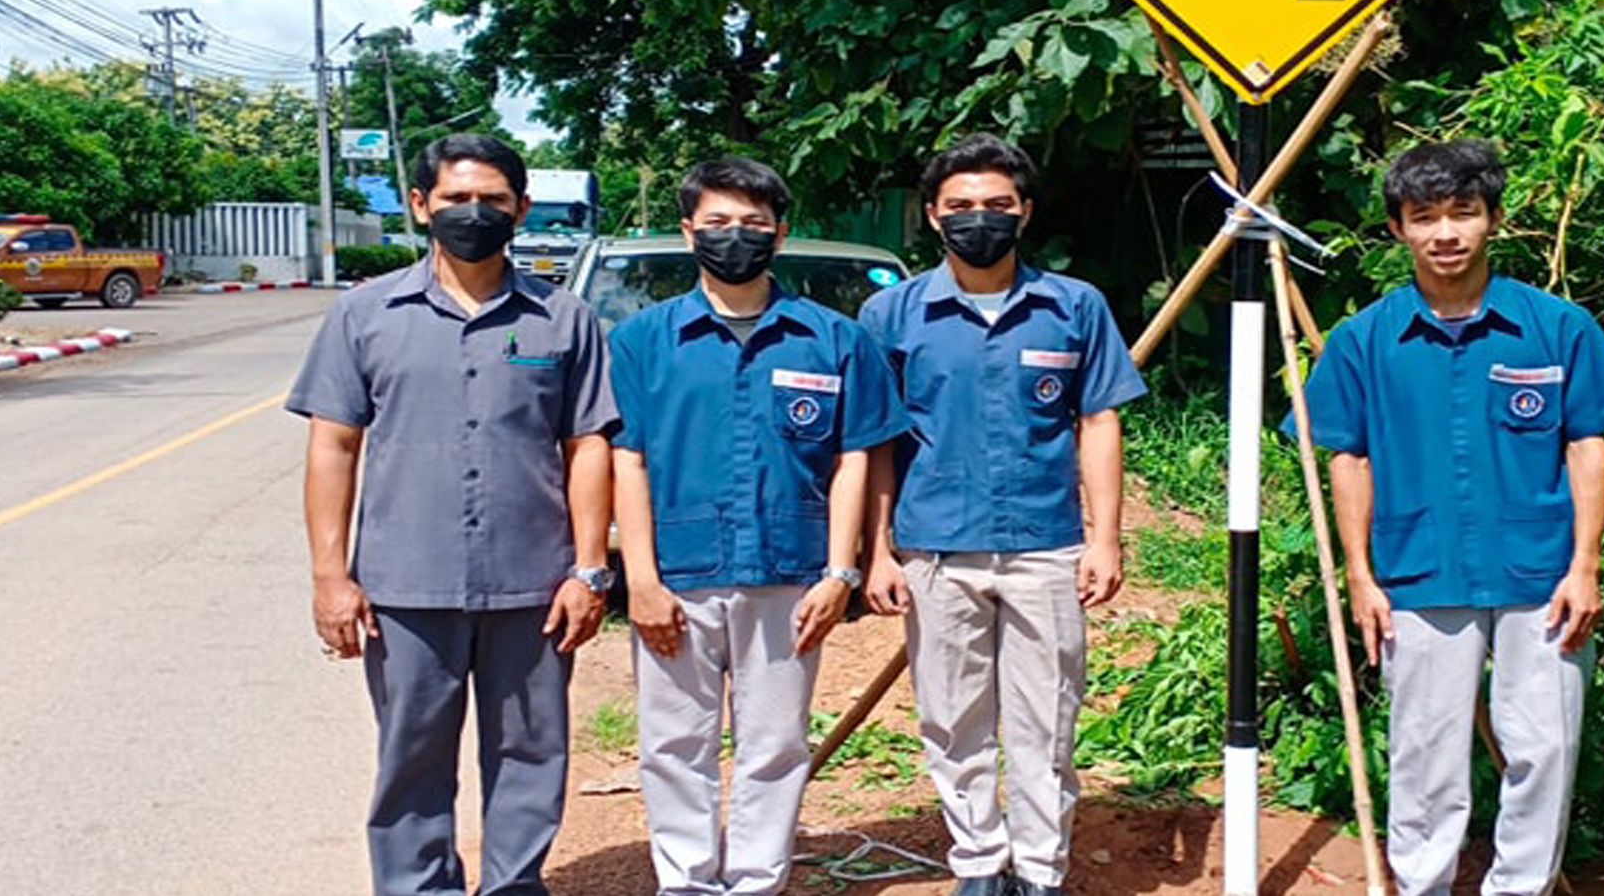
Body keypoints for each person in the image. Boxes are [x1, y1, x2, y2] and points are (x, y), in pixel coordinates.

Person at [1301, 139, 1604, 896]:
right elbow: (1348, 458)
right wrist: (1359, 575)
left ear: (1493, 218)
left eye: (1463, 212)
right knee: (1424, 754)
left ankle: (1518, 886)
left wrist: (1585, 566)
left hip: (1542, 576)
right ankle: (1420, 885)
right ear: (1397, 228)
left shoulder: (1556, 326)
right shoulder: (1364, 341)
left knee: (1544, 748)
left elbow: (1589, 442)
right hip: (1416, 574)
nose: (1445, 233)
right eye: (1424, 217)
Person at [290, 132, 620, 896]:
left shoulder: (563, 319)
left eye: (493, 202)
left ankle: (513, 884)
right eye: (456, 200)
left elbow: (589, 446)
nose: (474, 214)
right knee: (412, 757)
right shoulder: (364, 313)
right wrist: (329, 578)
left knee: (532, 754)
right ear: (420, 206)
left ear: (522, 209)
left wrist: (589, 568)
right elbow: (333, 446)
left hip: (533, 586)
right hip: (405, 584)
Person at [608, 157, 907, 896]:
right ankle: (685, 879)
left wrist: (843, 570)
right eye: (715, 223)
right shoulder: (644, 341)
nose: (733, 237)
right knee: (675, 740)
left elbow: (855, 459)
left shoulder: (832, 339)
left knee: (774, 742)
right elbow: (627, 462)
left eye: (751, 223)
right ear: (687, 232)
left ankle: (755, 879)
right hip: (678, 574)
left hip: (791, 574)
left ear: (781, 231)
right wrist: (638, 579)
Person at [860, 133, 1147, 896]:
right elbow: (874, 440)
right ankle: (980, 861)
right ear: (931, 215)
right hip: (935, 546)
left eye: (995, 204)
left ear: (1024, 212)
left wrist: (1105, 538)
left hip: (1046, 545)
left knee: (1046, 718)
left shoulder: (1074, 306)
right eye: (960, 206)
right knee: (952, 718)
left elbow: (1100, 423)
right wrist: (877, 549)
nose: (977, 218)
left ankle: (1041, 866)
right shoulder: (891, 313)